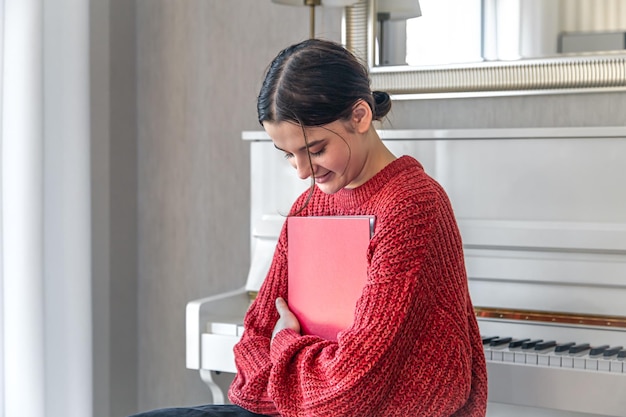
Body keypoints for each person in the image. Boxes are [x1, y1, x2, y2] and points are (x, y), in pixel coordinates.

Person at [130, 38, 488, 417]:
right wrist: (311, 383)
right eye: (289, 155)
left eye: (315, 150)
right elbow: (252, 346)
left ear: (360, 116)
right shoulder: (309, 206)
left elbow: (350, 388)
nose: (302, 172)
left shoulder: (412, 204)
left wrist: (285, 343)